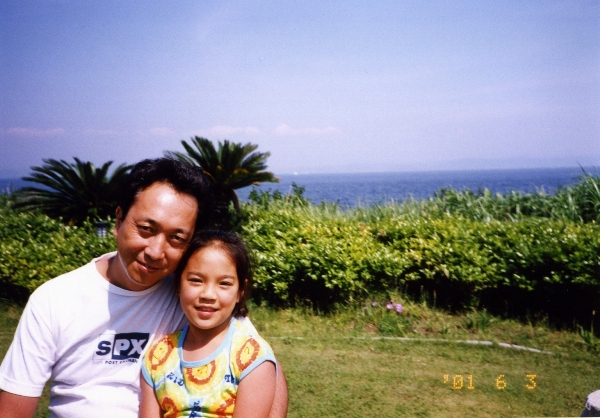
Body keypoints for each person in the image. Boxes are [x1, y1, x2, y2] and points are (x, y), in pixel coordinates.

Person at [0, 158, 287, 418]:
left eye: (176, 238)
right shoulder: (54, 300)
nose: (155, 251)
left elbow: (264, 368)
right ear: (118, 221)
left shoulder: (194, 297)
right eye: (146, 229)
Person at [140, 230, 276, 417]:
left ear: (241, 291)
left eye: (224, 284)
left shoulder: (252, 358)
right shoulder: (157, 356)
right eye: (196, 280)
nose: (208, 295)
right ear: (178, 284)